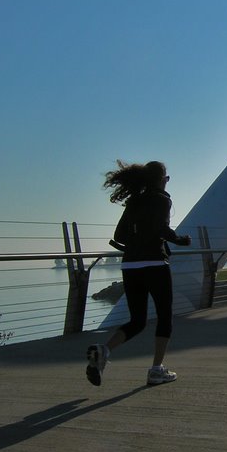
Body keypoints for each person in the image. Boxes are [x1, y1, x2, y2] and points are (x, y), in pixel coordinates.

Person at [86, 160, 191, 387]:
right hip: (155, 263)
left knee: (137, 320)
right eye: (166, 178)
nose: (167, 182)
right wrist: (181, 240)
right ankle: (156, 370)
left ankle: (103, 350)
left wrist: (139, 239)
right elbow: (162, 229)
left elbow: (120, 235)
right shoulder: (162, 200)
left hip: (130, 266)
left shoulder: (134, 200)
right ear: (161, 179)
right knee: (164, 316)